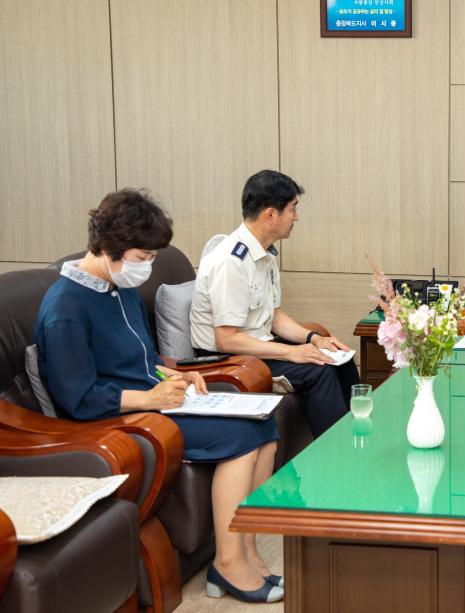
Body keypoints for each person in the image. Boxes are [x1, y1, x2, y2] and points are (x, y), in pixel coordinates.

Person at [34, 190, 284, 604]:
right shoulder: (66, 308)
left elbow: (143, 358)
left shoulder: (117, 285)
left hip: (151, 399)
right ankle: (227, 565)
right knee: (241, 439)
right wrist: (151, 399)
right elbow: (79, 398)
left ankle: (245, 549)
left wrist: (176, 375)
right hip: (112, 419)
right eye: (141, 257)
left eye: (151, 257)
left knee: (265, 427)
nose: (146, 268)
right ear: (108, 248)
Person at [190, 170, 360, 437]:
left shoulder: (264, 255)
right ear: (270, 214)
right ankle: (337, 454)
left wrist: (314, 339)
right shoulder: (230, 262)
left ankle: (358, 438)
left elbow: (275, 318)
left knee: (340, 360)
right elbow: (226, 339)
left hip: (256, 348)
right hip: (228, 360)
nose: (296, 217)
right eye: (293, 209)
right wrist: (291, 352)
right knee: (319, 371)